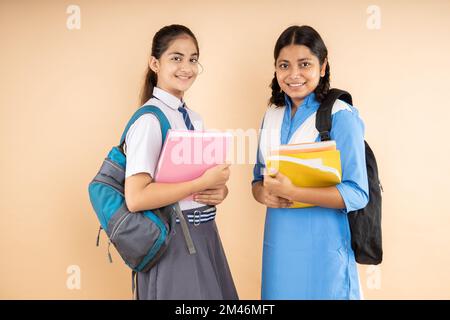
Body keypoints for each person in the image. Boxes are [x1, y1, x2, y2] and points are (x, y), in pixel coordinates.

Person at [252, 25, 369, 299]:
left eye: (305, 64)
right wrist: (263, 194)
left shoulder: (341, 115)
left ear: (323, 66)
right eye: (284, 65)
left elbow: (357, 193)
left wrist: (293, 193)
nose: (294, 75)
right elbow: (257, 182)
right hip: (278, 252)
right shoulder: (271, 114)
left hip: (324, 253)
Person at [124, 24, 238, 300]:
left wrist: (217, 191)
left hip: (204, 234)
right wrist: (200, 183)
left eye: (193, 59)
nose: (186, 67)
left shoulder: (193, 118)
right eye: (176, 58)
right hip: (174, 240)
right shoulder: (149, 120)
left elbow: (195, 185)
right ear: (155, 63)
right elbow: (136, 198)